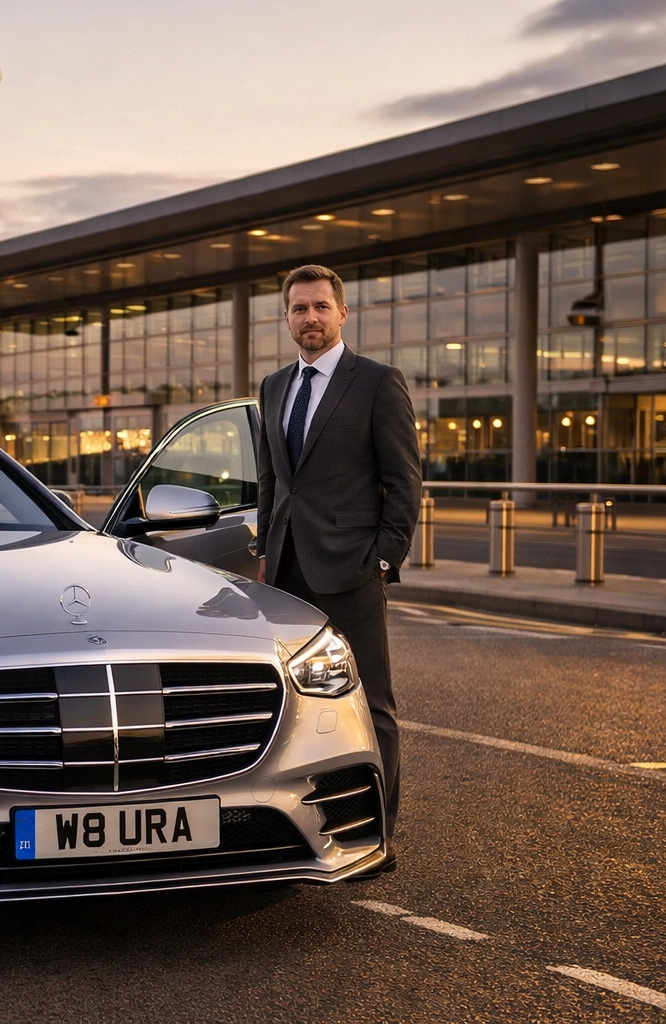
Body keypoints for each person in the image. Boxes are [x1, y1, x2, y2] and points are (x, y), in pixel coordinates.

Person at [254, 264, 421, 871]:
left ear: (342, 313)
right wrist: (266, 558)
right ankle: (300, 825)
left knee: (372, 703)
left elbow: (404, 482)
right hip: (288, 574)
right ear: (288, 318)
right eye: (299, 309)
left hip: (352, 570)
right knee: (297, 704)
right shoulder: (273, 387)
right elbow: (272, 483)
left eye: (321, 307)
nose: (311, 319)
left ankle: (380, 837)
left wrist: (382, 557)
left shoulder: (376, 382)